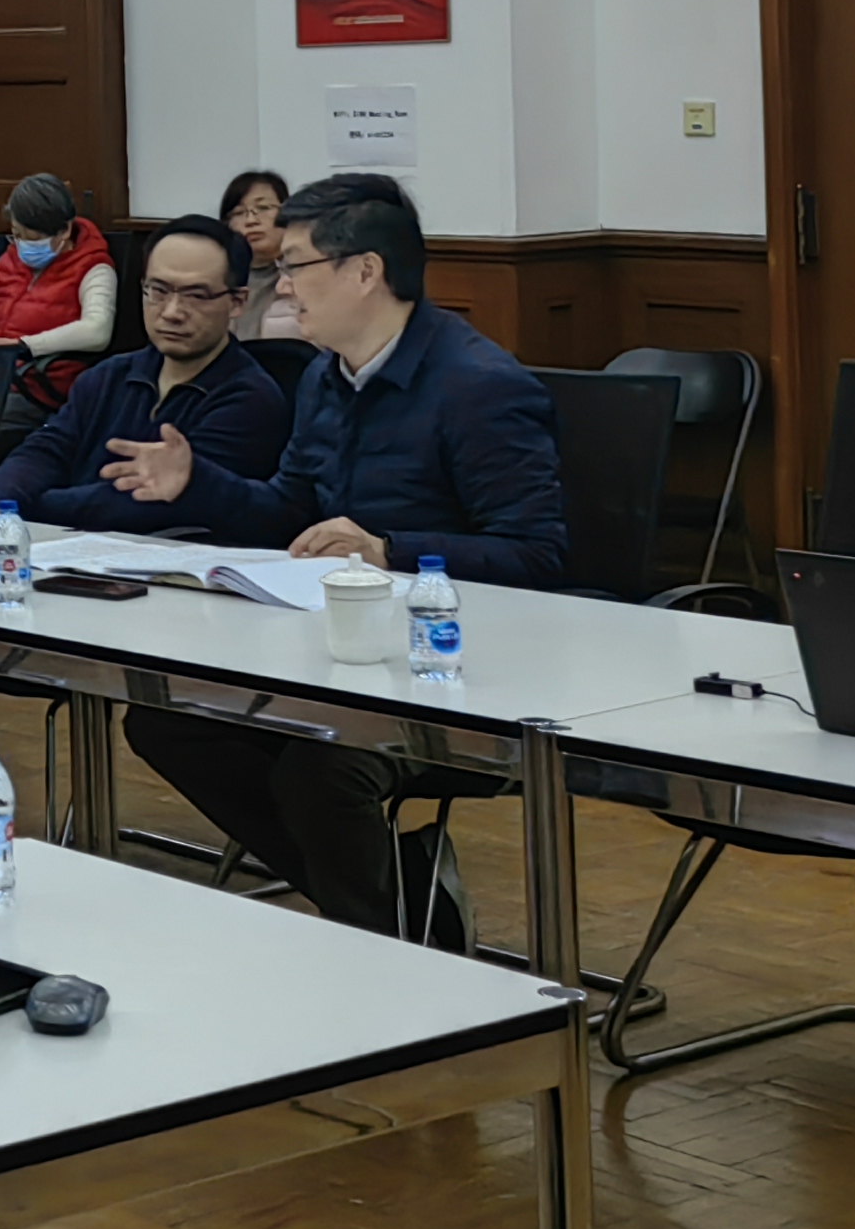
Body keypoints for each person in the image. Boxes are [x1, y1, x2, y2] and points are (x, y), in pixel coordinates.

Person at [124, 175, 563, 940]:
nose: (284, 286)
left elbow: (539, 556)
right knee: (169, 722)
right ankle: (403, 911)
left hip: (459, 670)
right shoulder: (326, 376)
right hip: (343, 653)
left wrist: (390, 552)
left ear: (365, 272)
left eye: (296, 266)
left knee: (321, 769)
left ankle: (392, 942)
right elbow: (290, 510)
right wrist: (199, 483)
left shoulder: (477, 386)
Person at [0, 216, 288, 535]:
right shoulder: (107, 376)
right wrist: (0, 500)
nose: (172, 312)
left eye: (196, 295)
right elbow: (48, 448)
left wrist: (26, 508)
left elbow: (147, 504)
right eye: (158, 290)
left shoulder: (252, 400)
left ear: (237, 302)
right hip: (71, 546)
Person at [0, 174, 116, 416]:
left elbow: (97, 330)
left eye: (32, 239)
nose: (21, 245)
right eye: (16, 235)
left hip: (38, 388)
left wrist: (25, 346)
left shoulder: (94, 267)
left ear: (65, 230)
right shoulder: (8, 260)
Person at [220, 168, 306, 341]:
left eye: (263, 208)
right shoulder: (220, 278)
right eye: (239, 212)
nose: (251, 220)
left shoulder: (307, 272)